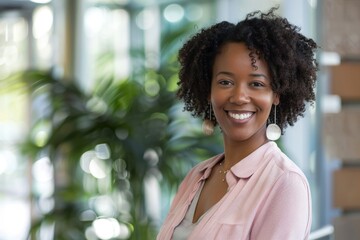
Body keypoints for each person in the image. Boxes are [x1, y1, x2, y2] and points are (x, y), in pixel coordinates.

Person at [157, 7, 318, 240]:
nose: (239, 97)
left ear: (277, 94)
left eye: (256, 84)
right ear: (208, 89)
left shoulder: (284, 183)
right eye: (225, 82)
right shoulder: (197, 176)